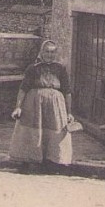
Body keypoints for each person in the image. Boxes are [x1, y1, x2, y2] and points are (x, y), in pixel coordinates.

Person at [9, 39, 74, 172]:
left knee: (56, 131)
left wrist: (69, 112)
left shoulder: (60, 69)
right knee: (34, 131)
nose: (49, 54)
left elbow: (67, 91)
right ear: (41, 52)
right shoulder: (33, 68)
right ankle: (32, 159)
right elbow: (23, 89)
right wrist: (18, 106)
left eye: (52, 52)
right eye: (47, 51)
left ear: (55, 53)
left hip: (56, 106)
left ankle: (53, 161)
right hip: (34, 105)